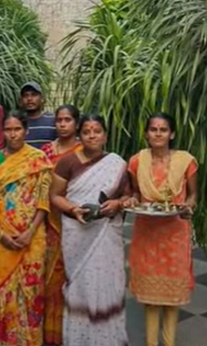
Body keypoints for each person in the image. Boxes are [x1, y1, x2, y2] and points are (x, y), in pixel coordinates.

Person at [49, 114, 130, 346]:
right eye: (87, 132)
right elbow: (54, 196)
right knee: (80, 285)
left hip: (106, 232)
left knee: (108, 284)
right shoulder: (67, 162)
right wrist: (74, 209)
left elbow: (128, 195)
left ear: (105, 135)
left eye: (97, 131)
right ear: (79, 135)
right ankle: (80, 339)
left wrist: (118, 203)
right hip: (77, 232)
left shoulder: (116, 163)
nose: (92, 136)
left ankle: (108, 339)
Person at [125, 113, 198, 346]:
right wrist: (132, 201)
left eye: (163, 129)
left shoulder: (186, 161)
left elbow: (194, 194)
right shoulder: (137, 161)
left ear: (172, 134)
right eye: (153, 129)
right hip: (147, 232)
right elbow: (136, 192)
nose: (158, 134)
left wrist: (188, 206)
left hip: (175, 232)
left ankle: (169, 343)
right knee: (151, 298)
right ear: (146, 134)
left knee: (171, 297)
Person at [0, 110, 52, 346]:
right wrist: (1, 233)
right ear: (3, 131)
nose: (13, 134)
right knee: (3, 290)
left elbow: (43, 201)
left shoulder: (38, 158)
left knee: (32, 292)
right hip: (1, 236)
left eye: (17, 129)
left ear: (26, 130)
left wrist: (30, 232)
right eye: (9, 130)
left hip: (33, 237)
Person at [40, 104, 82, 346]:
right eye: (59, 120)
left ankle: (76, 333)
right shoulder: (46, 151)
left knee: (75, 279)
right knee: (51, 280)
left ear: (76, 123)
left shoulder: (85, 151)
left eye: (67, 120)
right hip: (50, 224)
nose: (63, 124)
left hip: (78, 223)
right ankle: (51, 336)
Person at [19, 82, 56, 149]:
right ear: (21, 101)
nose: (29, 99)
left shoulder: (53, 120)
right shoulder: (18, 123)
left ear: (42, 99)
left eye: (34, 95)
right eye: (25, 95)